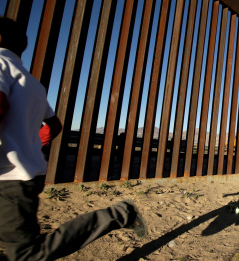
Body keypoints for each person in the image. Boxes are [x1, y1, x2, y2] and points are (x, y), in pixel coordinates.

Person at [0, 16, 147, 261]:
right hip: (25, 175)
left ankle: (121, 214)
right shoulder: (33, 83)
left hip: (10, 177)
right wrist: (32, 147)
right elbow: (53, 125)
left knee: (27, 253)